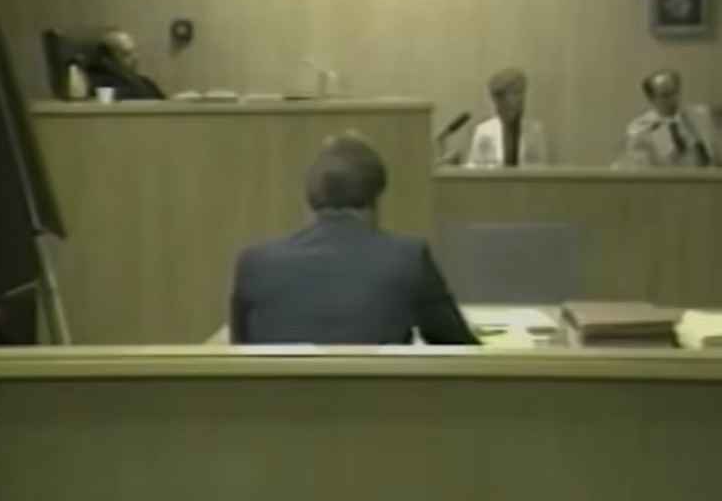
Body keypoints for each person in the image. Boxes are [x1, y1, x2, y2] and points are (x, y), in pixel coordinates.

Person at [228, 132, 480, 345]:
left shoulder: (255, 263)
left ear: (311, 196)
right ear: (376, 196)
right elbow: (460, 350)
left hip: (281, 391)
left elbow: (241, 352)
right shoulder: (407, 258)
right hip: (378, 391)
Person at [616, 70, 721, 169]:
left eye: (674, 92)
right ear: (651, 98)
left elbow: (717, 158)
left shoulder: (699, 116)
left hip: (702, 179)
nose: (672, 99)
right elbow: (641, 170)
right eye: (664, 95)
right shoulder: (639, 130)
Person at [466, 68, 549, 167]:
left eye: (521, 92)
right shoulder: (484, 131)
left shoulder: (535, 131)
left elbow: (541, 169)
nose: (520, 98)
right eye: (515, 92)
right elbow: (473, 169)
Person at [78, 29, 165, 100]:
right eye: (126, 54)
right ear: (108, 58)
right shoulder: (99, 85)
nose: (135, 58)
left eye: (135, 52)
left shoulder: (145, 83)